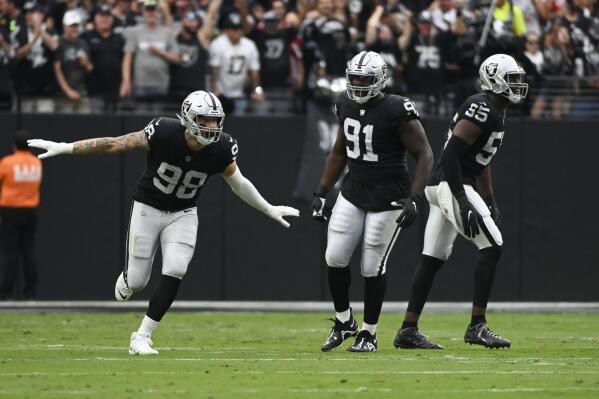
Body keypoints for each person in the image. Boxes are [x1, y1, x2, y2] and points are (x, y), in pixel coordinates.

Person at [27, 90, 299, 355]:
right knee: (136, 281)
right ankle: (128, 278)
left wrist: (268, 208)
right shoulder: (164, 131)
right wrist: (66, 147)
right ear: (188, 118)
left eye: (215, 120)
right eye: (204, 120)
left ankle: (142, 336)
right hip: (148, 207)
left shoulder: (222, 147)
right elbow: (114, 143)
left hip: (183, 212)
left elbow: (239, 184)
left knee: (176, 269)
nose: (211, 126)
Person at [393, 54, 528, 350]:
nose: (518, 84)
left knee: (432, 257)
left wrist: (489, 198)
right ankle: (477, 326)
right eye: (512, 79)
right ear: (494, 79)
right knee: (493, 246)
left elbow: (481, 159)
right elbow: (452, 154)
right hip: (450, 185)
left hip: (445, 186)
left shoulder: (495, 109)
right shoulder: (482, 107)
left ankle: (407, 329)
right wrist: (461, 199)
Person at [311, 51, 433, 352]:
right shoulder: (344, 101)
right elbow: (339, 151)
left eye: (365, 79)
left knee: (371, 266)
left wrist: (415, 198)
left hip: (390, 196)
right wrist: (322, 192)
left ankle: (369, 332)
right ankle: (344, 321)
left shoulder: (396, 108)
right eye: (354, 78)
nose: (358, 84)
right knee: (334, 257)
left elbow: (425, 154)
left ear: (380, 79)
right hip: (354, 191)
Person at [0, 130, 42, 300]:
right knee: (28, 251)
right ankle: (30, 289)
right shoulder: (36, 163)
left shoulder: (7, 162)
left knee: (10, 252)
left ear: (14, 145)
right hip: (30, 211)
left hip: (10, 210)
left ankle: (6, 290)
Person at [209, 12, 263, 114]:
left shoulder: (249, 45)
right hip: (221, 91)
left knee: (238, 122)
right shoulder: (217, 44)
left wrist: (257, 90)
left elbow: (254, 71)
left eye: (240, 28)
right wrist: (214, 89)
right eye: (234, 29)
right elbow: (214, 69)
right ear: (227, 30)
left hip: (240, 92)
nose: (238, 32)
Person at [54, 10, 93, 113]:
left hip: (81, 91)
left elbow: (90, 68)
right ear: (64, 27)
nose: (74, 29)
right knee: (66, 126)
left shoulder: (82, 43)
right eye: (71, 26)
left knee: (86, 123)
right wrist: (68, 91)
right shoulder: (59, 43)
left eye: (76, 26)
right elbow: (57, 69)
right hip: (62, 93)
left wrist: (86, 64)